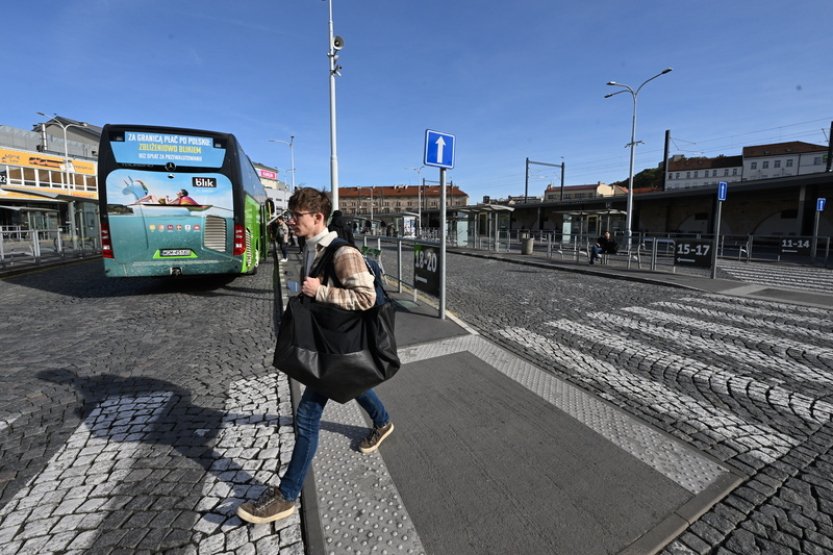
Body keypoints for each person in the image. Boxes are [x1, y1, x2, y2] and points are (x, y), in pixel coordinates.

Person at [237, 187, 394, 525]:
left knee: (307, 415)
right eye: (291, 215)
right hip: (331, 344)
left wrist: (320, 291)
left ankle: (286, 495)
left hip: (338, 343)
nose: (291, 221)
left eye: (297, 216)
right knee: (350, 380)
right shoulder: (310, 247)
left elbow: (366, 298)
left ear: (318, 218)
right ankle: (382, 422)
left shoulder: (343, 253)